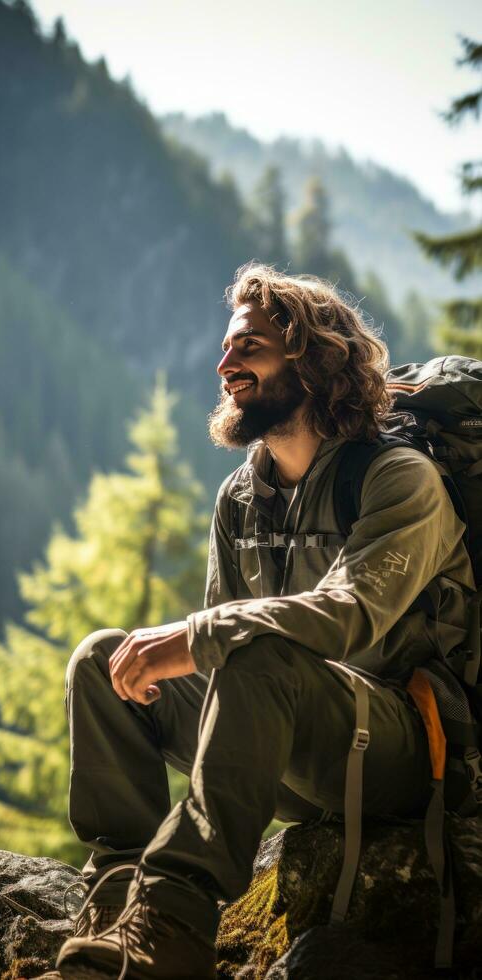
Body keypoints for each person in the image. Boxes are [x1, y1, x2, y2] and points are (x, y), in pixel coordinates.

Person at [41, 264, 474, 980]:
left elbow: (346, 616)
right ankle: (119, 902)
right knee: (101, 661)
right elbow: (217, 659)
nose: (223, 364)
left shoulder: (399, 479)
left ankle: (174, 926)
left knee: (255, 656)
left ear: (313, 359)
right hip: (284, 741)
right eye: (225, 348)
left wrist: (199, 636)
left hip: (400, 749)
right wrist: (183, 647)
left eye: (248, 347)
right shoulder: (242, 495)